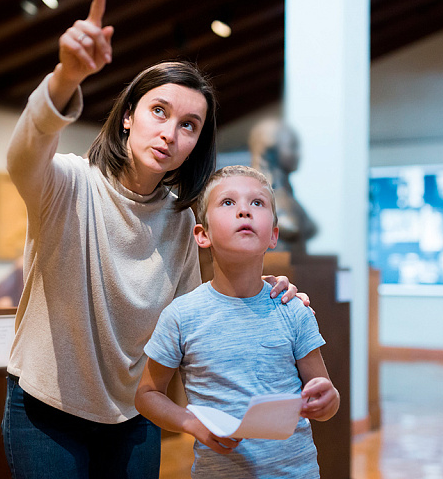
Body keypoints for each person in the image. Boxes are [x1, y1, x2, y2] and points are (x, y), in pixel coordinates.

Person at [1, 0, 305, 479]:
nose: (170, 133)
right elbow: (22, 156)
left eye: (189, 125)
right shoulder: (71, 184)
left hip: (133, 413)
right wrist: (65, 78)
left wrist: (266, 296)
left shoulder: (181, 218)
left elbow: (196, 319)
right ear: (128, 117)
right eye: (159, 111)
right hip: (46, 410)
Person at [135, 165, 339, 478]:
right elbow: (147, 394)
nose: (244, 210)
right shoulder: (181, 315)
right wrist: (192, 424)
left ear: (273, 235)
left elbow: (326, 400)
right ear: (203, 235)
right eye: (228, 202)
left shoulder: (293, 309)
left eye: (257, 203)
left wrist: (327, 400)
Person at [248, 118, 317, 255]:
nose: (299, 154)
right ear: (271, 150)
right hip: (276, 261)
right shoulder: (259, 195)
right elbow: (292, 228)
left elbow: (311, 228)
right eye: (292, 147)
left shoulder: (286, 194)